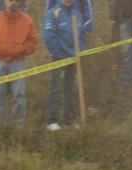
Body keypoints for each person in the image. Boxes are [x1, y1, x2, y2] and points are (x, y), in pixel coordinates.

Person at [0, 0, 39, 125]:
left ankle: (18, 124)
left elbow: (33, 40)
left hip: (18, 62)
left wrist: (23, 49)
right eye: (10, 0)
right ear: (4, 2)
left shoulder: (27, 20)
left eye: (15, 0)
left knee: (19, 95)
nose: (13, 3)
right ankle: (2, 123)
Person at [43, 0, 85, 130]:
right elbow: (48, 36)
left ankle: (70, 120)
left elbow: (81, 36)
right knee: (55, 88)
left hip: (74, 58)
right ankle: (52, 121)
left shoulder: (77, 15)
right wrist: (59, 53)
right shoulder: (53, 14)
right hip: (59, 58)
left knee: (71, 89)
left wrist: (80, 52)